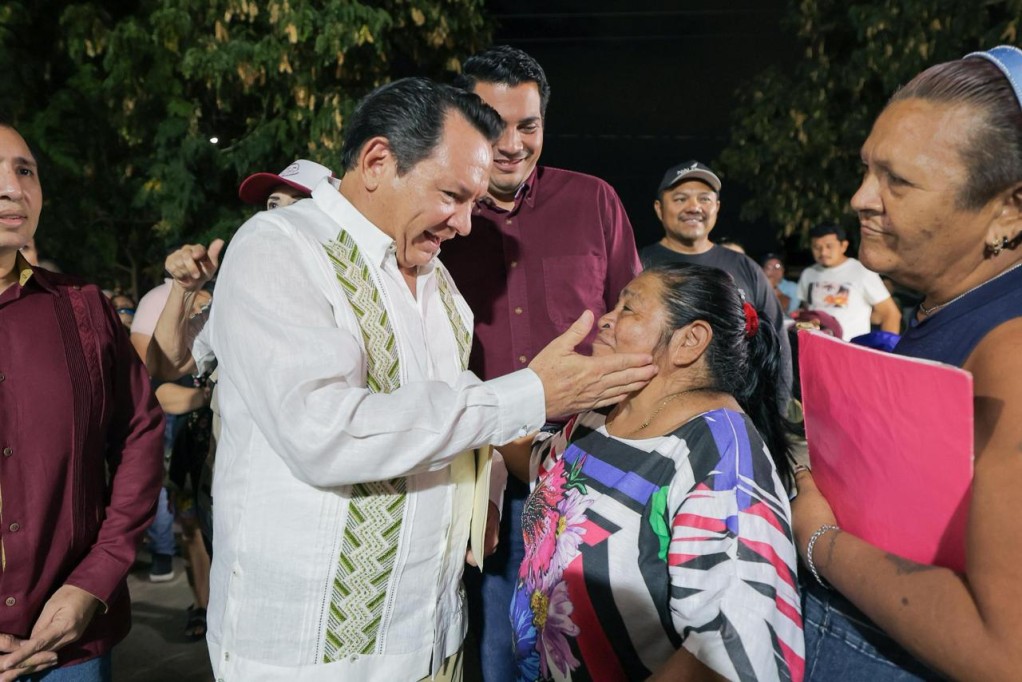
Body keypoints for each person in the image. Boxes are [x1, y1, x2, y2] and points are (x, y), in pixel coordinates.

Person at [201, 77, 655, 681]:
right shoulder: (279, 249)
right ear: (377, 161)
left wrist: (482, 486)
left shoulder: (437, 282)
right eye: (452, 195)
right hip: (312, 653)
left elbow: (451, 407)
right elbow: (325, 431)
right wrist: (532, 394)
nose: (466, 225)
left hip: (431, 632)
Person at [792, 45, 1022, 681]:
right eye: (867, 169)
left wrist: (820, 543)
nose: (862, 197)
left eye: (898, 180)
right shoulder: (948, 305)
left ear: (1009, 208)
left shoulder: (1013, 353)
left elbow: (1005, 654)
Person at [440, 45, 641, 681]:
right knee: (497, 658)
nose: (511, 143)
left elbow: (634, 332)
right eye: (493, 123)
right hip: (479, 485)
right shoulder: (437, 220)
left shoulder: (596, 202)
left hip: (588, 482)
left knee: (597, 659)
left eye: (528, 124)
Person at [499, 263, 803, 681]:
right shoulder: (601, 414)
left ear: (689, 341)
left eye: (629, 309)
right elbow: (536, 468)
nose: (605, 318)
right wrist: (521, 394)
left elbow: (734, 653)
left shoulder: (721, 461)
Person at [0, 122, 163, 679]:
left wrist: (94, 580)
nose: (13, 188)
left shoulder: (83, 308)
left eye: (25, 171)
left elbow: (141, 430)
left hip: (72, 645)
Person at [640, 161, 793, 391]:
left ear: (717, 207)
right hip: (655, 413)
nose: (694, 207)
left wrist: (776, 413)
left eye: (704, 199)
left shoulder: (745, 268)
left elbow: (777, 345)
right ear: (659, 208)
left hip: (735, 414)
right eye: (680, 199)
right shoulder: (637, 265)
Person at [797, 224, 901, 341]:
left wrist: (887, 351)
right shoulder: (808, 273)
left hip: (849, 348)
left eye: (829, 246)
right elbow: (806, 311)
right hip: (816, 346)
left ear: (843, 246)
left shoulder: (861, 271)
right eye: (817, 247)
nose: (823, 252)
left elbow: (891, 314)